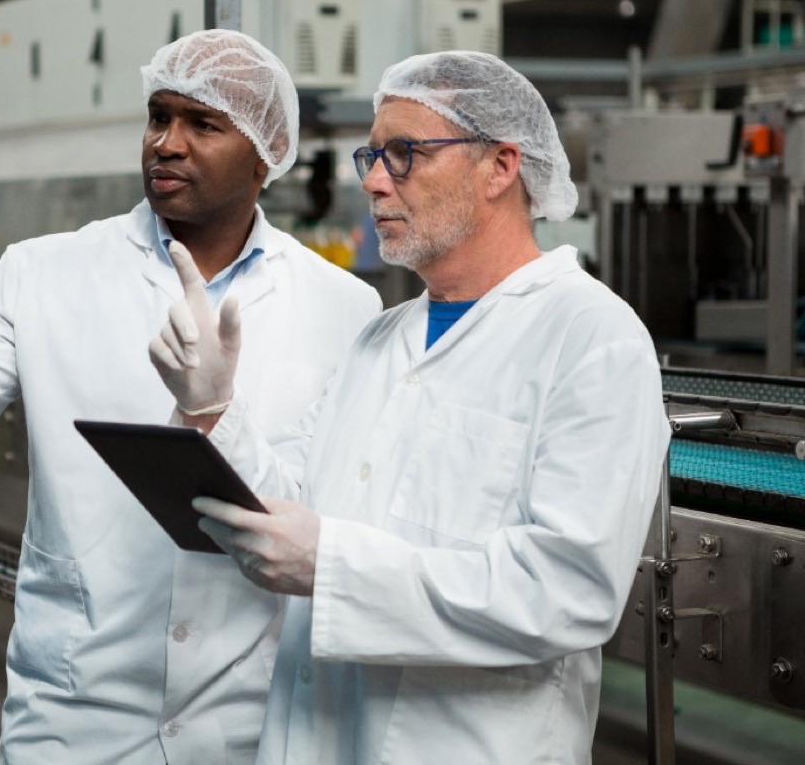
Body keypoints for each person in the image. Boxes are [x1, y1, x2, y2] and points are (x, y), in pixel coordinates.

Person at [0, 29, 381, 765]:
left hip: (254, 725)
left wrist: (215, 414)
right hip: (76, 720)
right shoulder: (42, 273)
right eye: (159, 116)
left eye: (203, 124)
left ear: (269, 152)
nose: (166, 143)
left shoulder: (343, 307)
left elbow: (327, 514)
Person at [149, 50, 670, 764]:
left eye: (404, 154)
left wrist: (332, 565)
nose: (372, 179)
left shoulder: (591, 338)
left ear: (500, 166)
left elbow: (567, 589)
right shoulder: (380, 339)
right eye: (372, 155)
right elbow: (291, 501)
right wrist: (212, 408)